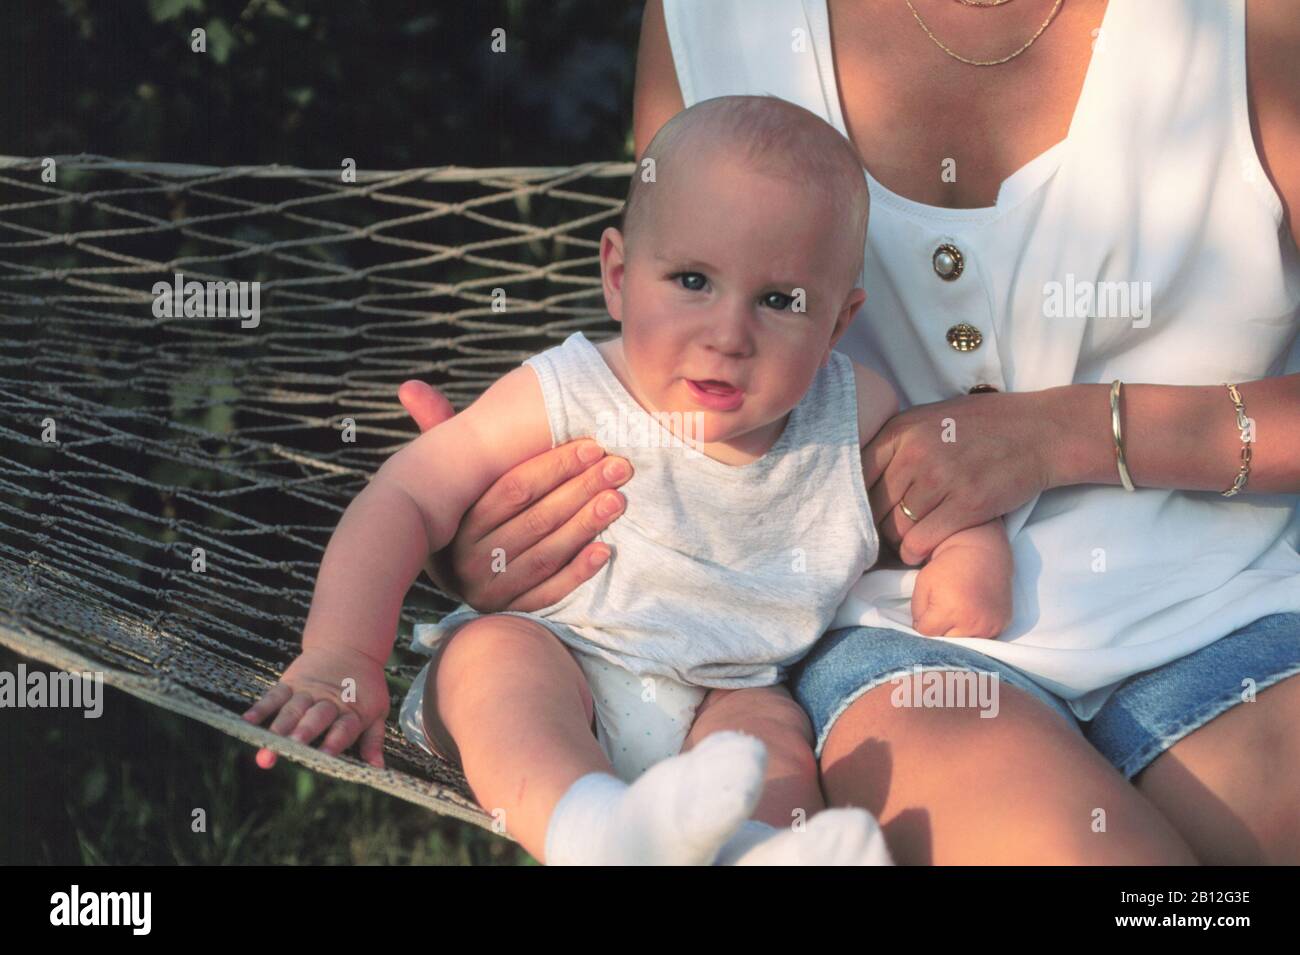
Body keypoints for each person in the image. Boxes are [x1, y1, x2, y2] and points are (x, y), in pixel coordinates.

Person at [395, 0, 1300, 865]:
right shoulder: (714, 18)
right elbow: (676, 338)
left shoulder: (1254, 23)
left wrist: (1068, 435)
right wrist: (511, 526)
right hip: (893, 637)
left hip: (1237, 604)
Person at [241, 93, 994, 865]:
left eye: (778, 300)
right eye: (693, 281)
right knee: (494, 663)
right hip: (559, 654)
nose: (728, 334)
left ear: (837, 322)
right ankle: (592, 827)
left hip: (726, 689)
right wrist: (344, 654)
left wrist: (972, 552)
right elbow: (405, 493)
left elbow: (940, 472)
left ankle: (752, 850)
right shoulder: (568, 391)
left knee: (774, 743)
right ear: (619, 275)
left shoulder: (852, 407)